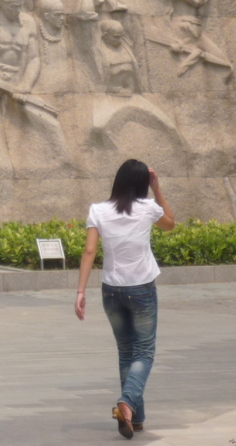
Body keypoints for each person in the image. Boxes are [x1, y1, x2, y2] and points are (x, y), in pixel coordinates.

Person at [75, 159, 176, 439]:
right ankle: (127, 402)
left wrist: (81, 292)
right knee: (143, 352)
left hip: (111, 291)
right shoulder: (148, 207)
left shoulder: (98, 210)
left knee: (126, 352)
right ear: (142, 183)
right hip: (141, 289)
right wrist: (157, 189)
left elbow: (89, 251)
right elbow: (170, 225)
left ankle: (135, 418)